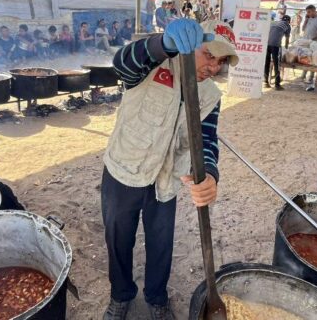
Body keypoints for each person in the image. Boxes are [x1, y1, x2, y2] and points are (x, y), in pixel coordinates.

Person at [101, 18, 239, 320]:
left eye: (221, 61)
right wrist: (161, 43)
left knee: (161, 243)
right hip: (125, 168)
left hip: (166, 179)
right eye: (209, 56)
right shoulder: (154, 64)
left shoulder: (211, 96)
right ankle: (120, 295)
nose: (214, 67)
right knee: (119, 238)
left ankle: (157, 297)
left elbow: (206, 140)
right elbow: (120, 64)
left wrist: (211, 175)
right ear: (191, 46)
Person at [300, 4, 317, 82]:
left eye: (309, 12)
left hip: (313, 43)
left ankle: (311, 76)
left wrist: (313, 39)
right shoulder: (308, 19)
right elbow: (303, 29)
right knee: (305, 57)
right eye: (307, 12)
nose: (308, 14)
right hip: (305, 42)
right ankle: (303, 74)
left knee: (313, 59)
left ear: (314, 11)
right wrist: (306, 20)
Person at [265, 14, 292, 90]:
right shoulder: (287, 25)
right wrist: (286, 48)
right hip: (275, 45)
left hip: (266, 44)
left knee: (267, 63)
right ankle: (277, 85)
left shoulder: (274, 22)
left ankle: (265, 82)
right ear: (289, 21)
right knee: (277, 64)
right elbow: (287, 38)